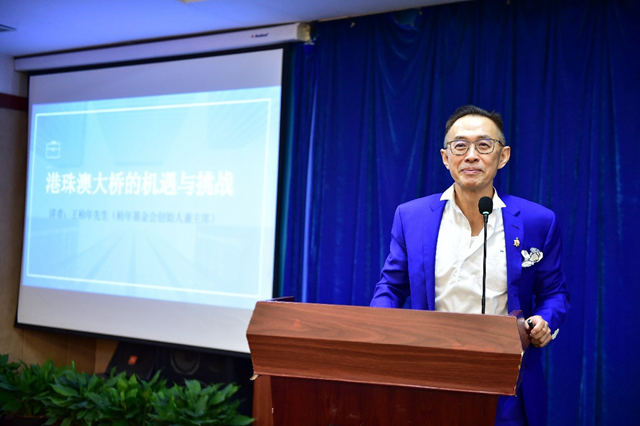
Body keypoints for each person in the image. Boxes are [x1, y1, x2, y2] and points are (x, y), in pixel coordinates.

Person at [370, 105, 570, 426]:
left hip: (507, 379)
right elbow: (391, 287)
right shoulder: (411, 216)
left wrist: (544, 321)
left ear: (503, 156)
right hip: (429, 373)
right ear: (445, 157)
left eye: (484, 145)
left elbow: (555, 293)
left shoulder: (538, 221)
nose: (471, 156)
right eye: (460, 146)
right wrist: (379, 330)